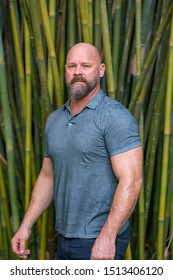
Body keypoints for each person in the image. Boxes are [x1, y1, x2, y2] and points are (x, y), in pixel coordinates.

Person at [11, 42, 143, 260]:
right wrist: (26, 225)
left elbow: (132, 180)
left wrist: (107, 237)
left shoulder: (115, 117)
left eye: (86, 65)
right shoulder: (54, 120)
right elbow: (47, 177)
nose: (78, 72)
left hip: (97, 240)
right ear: (65, 70)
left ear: (101, 70)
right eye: (72, 66)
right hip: (64, 238)